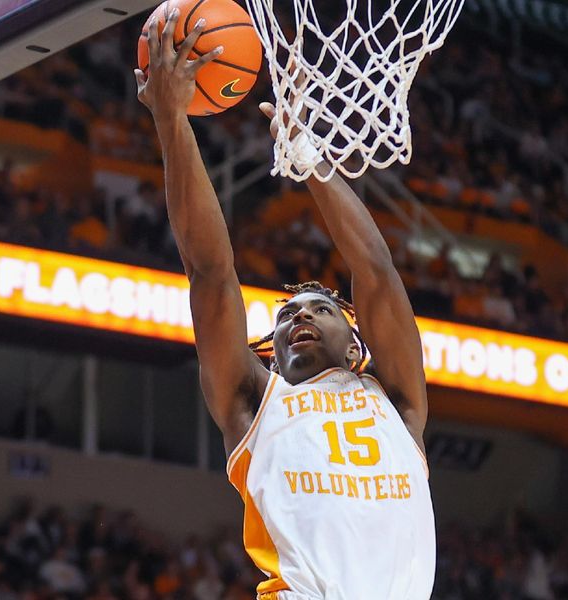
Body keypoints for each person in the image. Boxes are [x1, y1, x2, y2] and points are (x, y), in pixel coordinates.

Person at [135, 9, 434, 600]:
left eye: (320, 309)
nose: (298, 315)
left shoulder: (397, 403)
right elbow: (212, 274)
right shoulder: (254, 400)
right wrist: (172, 120)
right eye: (287, 315)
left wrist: (311, 158)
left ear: (356, 346)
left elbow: (375, 270)